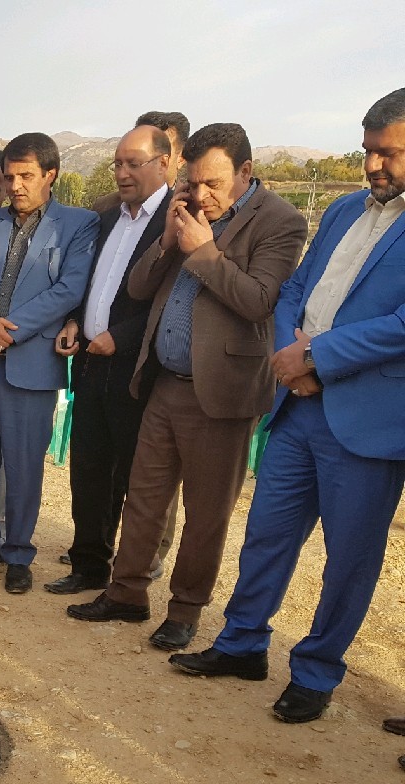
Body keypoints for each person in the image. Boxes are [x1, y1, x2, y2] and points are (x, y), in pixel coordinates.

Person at [168, 90, 405, 723]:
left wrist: (319, 357)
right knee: (268, 535)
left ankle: (318, 672)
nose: (374, 167)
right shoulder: (346, 210)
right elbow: (296, 288)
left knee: (348, 560)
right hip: (297, 407)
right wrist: (290, 356)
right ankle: (243, 642)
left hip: (366, 419)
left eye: (390, 154)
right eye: (369, 153)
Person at [67, 123, 307, 651]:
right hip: (164, 382)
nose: (202, 194)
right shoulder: (187, 210)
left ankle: (184, 610)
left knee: (205, 513)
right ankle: (126, 593)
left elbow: (257, 300)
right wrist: (171, 239)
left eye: (214, 183)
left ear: (245, 172)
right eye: (194, 181)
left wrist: (201, 250)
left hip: (221, 393)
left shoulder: (281, 222)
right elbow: (138, 287)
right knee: (145, 499)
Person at [0, 133, 98, 594]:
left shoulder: (78, 224)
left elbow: (69, 290)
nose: (14, 186)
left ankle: (18, 553)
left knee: (24, 465)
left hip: (30, 364)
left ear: (50, 175)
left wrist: (3, 330)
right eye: (9, 176)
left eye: (25, 176)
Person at [46, 126, 172, 595]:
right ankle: (88, 566)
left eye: (132, 163)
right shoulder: (105, 217)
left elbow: (171, 300)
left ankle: (128, 579)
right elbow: (90, 285)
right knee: (89, 471)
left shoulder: (177, 221)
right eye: (118, 163)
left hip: (138, 371)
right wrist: (78, 322)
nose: (121, 172)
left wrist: (119, 337)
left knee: (135, 481)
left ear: (164, 164)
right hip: (92, 363)